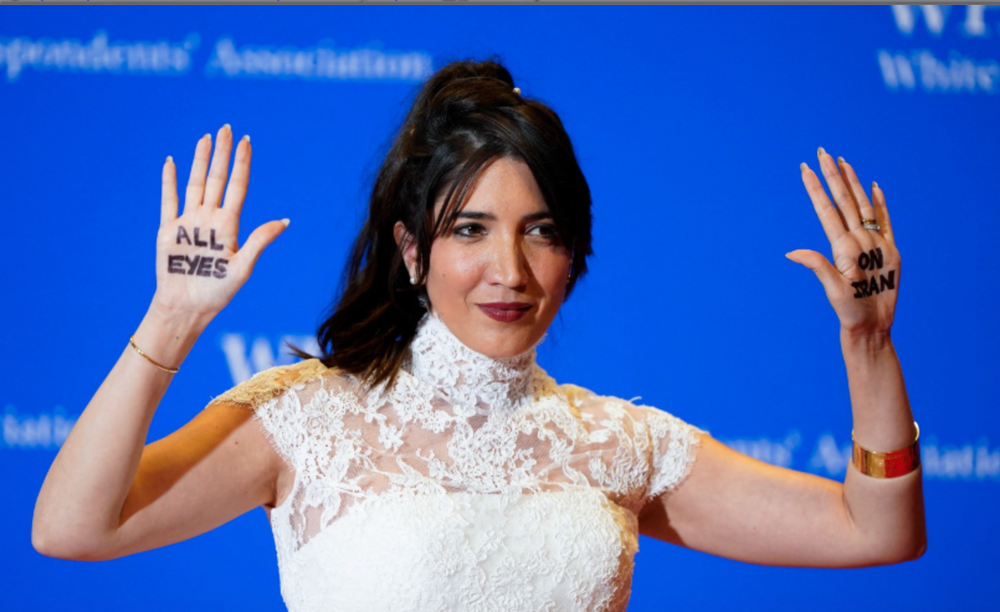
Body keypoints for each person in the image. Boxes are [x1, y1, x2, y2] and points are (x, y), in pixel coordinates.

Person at [32, 59, 925, 611]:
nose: (510, 268)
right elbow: (73, 529)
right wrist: (171, 321)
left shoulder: (620, 443)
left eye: (540, 230)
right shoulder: (303, 420)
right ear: (412, 252)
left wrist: (869, 349)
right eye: (470, 230)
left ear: (575, 254)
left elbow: (872, 532)